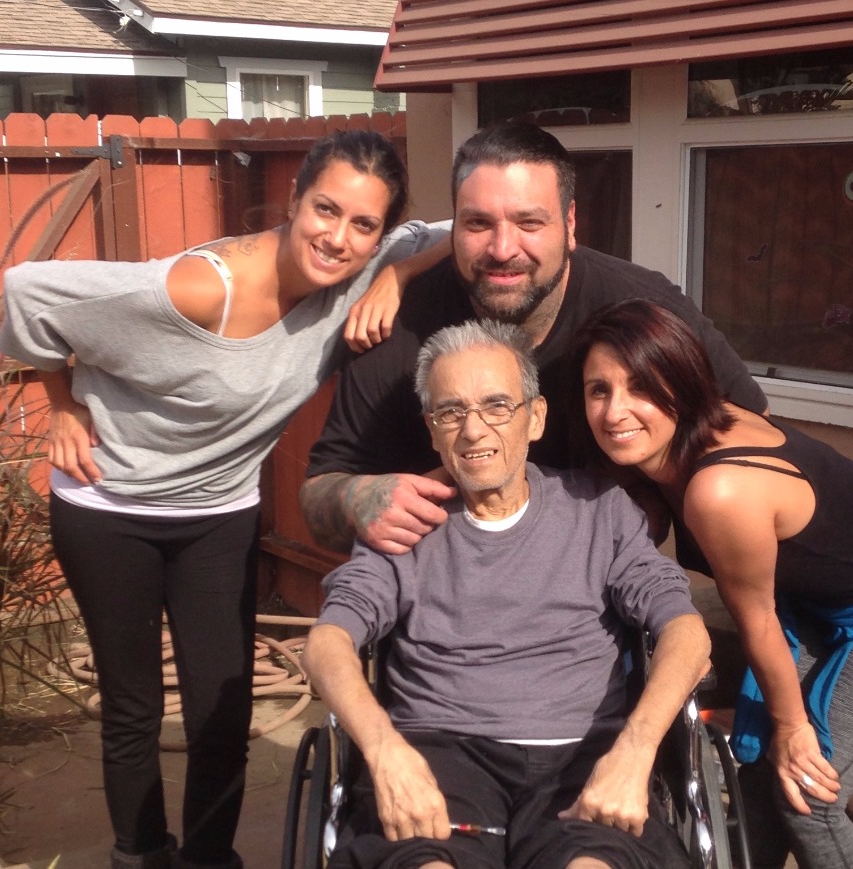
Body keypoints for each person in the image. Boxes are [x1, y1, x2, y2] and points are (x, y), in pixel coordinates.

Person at [0, 131, 451, 869]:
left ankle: (209, 859)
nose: (338, 238)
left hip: (218, 514)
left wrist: (395, 274)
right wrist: (63, 402)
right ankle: (141, 854)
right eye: (325, 209)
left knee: (222, 708)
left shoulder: (365, 270)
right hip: (112, 506)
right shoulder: (197, 288)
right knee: (135, 707)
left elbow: (476, 227)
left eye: (364, 225)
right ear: (295, 197)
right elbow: (27, 291)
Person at [573, 298, 853, 869]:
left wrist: (794, 729)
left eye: (641, 386)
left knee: (808, 796)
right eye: (599, 390)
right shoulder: (681, 436)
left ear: (682, 385)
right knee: (758, 780)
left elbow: (758, 620)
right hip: (827, 594)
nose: (615, 410)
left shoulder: (720, 490)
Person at [302, 319, 711, 869]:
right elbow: (326, 643)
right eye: (451, 412)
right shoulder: (403, 522)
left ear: (535, 417)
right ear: (431, 430)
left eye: (497, 406)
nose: (473, 431)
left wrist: (637, 751)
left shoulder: (600, 511)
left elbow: (686, 631)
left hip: (584, 754)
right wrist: (383, 750)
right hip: (438, 753)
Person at [299, 121, 768, 557]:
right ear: (454, 226)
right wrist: (356, 498)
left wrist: (666, 491)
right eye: (478, 223)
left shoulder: (643, 308)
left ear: (570, 224)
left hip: (604, 590)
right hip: (443, 595)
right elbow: (319, 493)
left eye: (529, 223)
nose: (503, 249)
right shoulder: (395, 329)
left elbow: (753, 430)